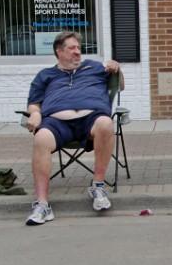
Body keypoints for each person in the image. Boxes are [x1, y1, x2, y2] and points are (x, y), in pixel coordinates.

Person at [24, 31, 120, 226]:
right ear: (59, 52)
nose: (77, 52)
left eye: (79, 48)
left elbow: (120, 85)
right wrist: (34, 114)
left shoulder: (94, 67)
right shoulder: (45, 75)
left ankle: (98, 186)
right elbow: (34, 104)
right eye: (72, 48)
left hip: (91, 119)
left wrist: (117, 68)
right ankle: (42, 204)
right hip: (56, 123)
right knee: (41, 138)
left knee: (106, 123)